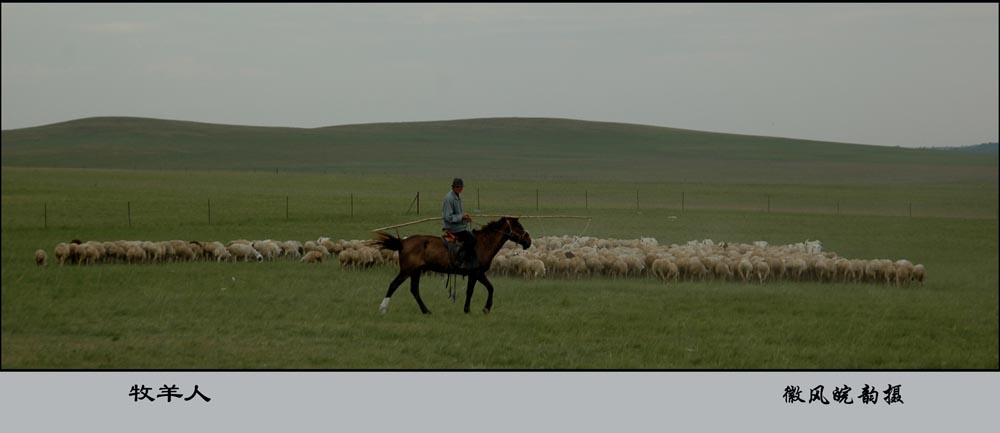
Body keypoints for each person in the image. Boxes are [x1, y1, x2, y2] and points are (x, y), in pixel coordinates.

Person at [442, 178, 477, 270]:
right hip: (453, 228)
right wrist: (462, 217)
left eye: (460, 187)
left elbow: (458, 214)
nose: (459, 188)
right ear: (453, 187)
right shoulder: (449, 198)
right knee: (472, 239)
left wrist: (465, 218)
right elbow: (448, 217)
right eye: (457, 187)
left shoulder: (457, 196)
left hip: (458, 226)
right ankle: (459, 260)